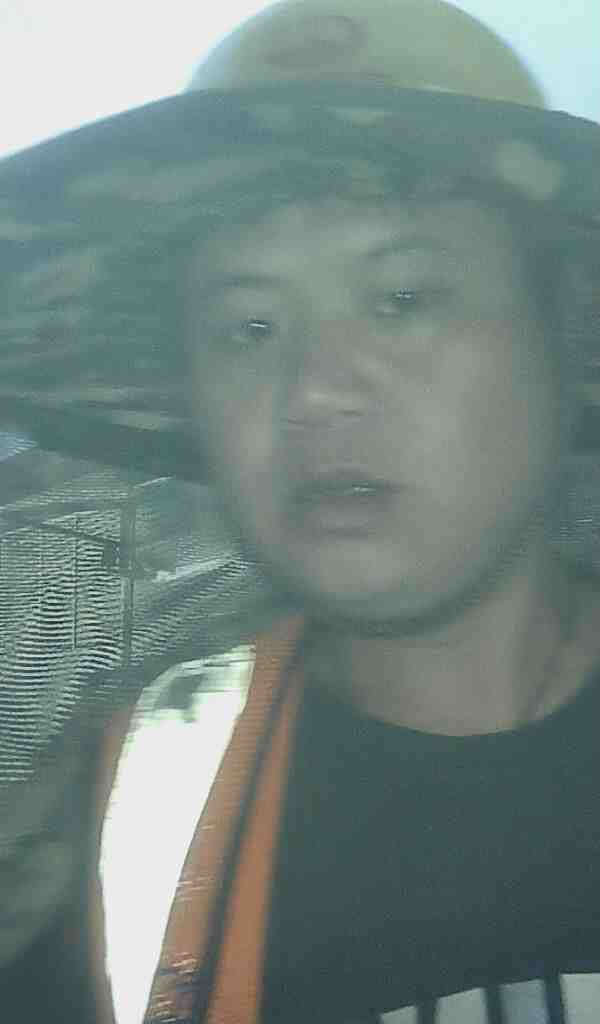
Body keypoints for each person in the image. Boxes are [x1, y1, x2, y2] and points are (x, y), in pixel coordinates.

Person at [1, 1, 600, 1022]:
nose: (314, 391)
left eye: (403, 299)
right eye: (248, 328)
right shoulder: (98, 844)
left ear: (561, 342)